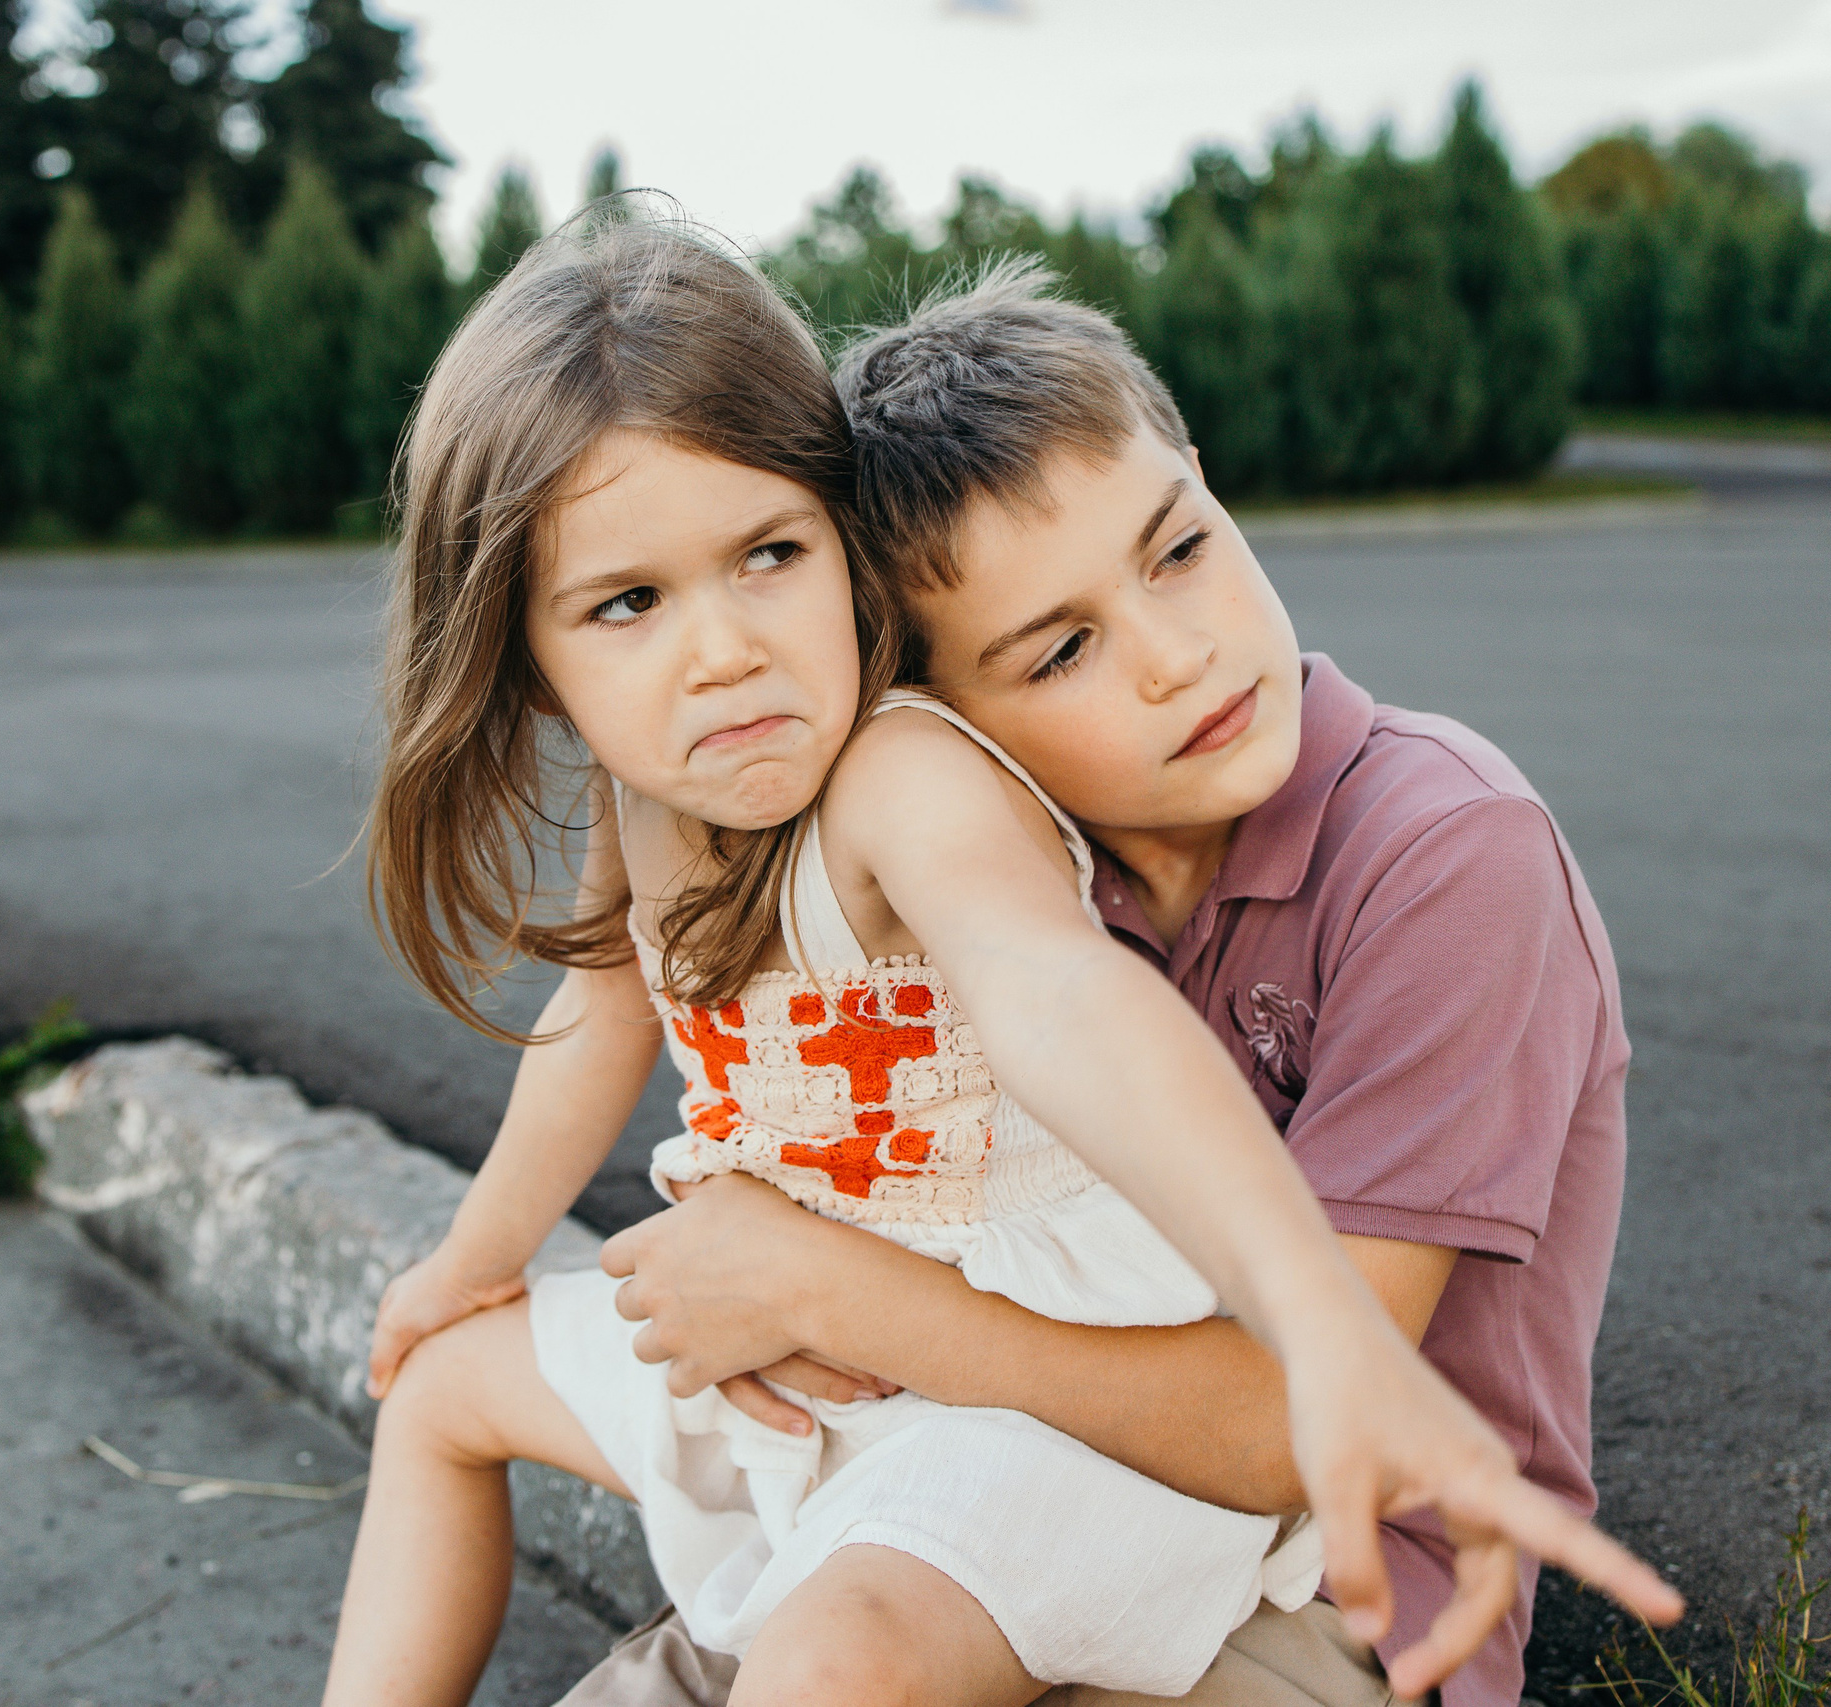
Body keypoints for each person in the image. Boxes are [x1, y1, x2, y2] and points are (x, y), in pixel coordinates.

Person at [322, 220, 1675, 1707]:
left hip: (1330, 1569)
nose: (1172, 657)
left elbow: (1061, 1008)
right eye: (1057, 651)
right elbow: (610, 1004)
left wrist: (836, 1294)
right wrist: (474, 1264)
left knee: (842, 1655)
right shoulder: (772, 789)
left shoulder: (1437, 853)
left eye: (1180, 548)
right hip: (889, 1428)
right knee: (477, 1412)